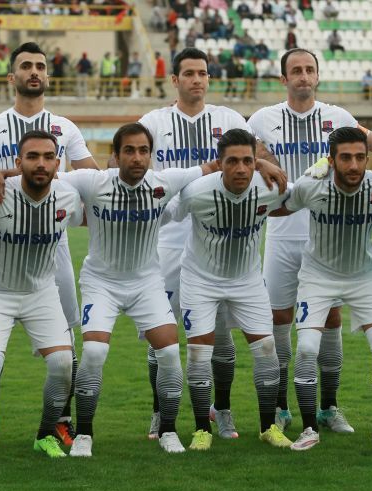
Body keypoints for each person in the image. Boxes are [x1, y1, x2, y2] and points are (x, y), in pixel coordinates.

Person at [248, 48, 372, 435]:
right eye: (296, 70)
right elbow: (244, 154)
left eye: (310, 69)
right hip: (283, 233)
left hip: (330, 233)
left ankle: (328, 407)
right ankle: (281, 406)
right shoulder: (262, 119)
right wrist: (261, 159)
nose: (304, 75)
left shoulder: (338, 117)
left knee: (331, 318)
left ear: (318, 76)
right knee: (280, 319)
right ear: (283, 79)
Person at [137, 47, 285, 441]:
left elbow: (257, 154)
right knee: (162, 334)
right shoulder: (153, 122)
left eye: (202, 73)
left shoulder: (229, 119)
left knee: (220, 334)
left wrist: (262, 162)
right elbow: (134, 170)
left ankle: (222, 411)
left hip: (224, 234)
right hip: (169, 239)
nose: (196, 80)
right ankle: (160, 411)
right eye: (188, 73)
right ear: (175, 80)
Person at [0, 42, 100, 448]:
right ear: (12, 76)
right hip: (5, 244)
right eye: (26, 66)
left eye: (40, 66)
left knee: (66, 346)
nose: (34, 72)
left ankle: (59, 420)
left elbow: (93, 181)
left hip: (52, 251)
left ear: (48, 75)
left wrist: (6, 172)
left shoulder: (65, 127)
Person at [59, 123, 218, 457]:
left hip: (147, 283)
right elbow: (44, 176)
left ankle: (167, 430)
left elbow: (213, 167)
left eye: (143, 150)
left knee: (170, 353)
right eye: (129, 151)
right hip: (101, 283)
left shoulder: (164, 182)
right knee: (94, 353)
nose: (137, 157)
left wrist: (264, 166)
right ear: (115, 156)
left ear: (151, 155)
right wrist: (0, 174)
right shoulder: (93, 181)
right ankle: (85, 433)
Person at [271, 127, 372, 450]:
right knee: (307, 349)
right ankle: (309, 429)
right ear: (331, 160)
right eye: (345, 158)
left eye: (360, 157)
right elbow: (280, 206)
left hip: (364, 277)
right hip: (317, 278)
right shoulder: (311, 185)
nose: (354, 165)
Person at [169, 128, 292, 450]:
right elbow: (168, 211)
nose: (240, 168)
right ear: (219, 163)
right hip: (199, 280)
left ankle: (268, 427)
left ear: (255, 162)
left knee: (266, 349)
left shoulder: (270, 188)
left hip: (247, 281)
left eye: (248, 161)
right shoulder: (196, 192)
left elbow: (306, 195)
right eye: (232, 161)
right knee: (199, 352)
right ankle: (202, 429)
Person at [0, 131, 83, 463]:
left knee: (63, 364)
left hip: (41, 293)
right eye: (32, 157)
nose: (40, 163)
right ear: (18, 162)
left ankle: (45, 435)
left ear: (58, 163)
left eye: (48, 157)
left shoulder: (68, 196)